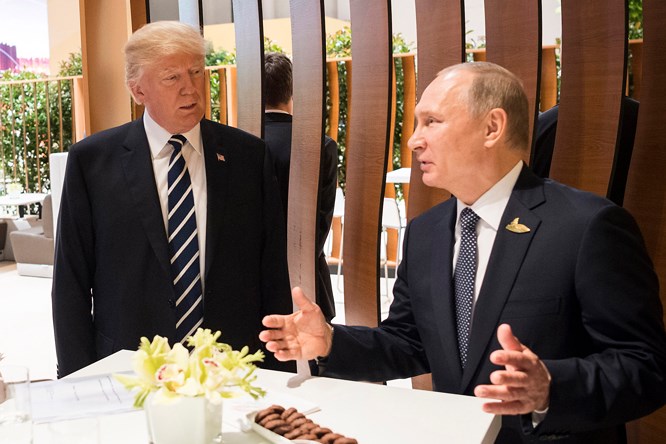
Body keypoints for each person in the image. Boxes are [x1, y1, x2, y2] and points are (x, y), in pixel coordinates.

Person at [260, 62, 666, 443]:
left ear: (492, 127)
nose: (413, 139)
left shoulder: (587, 226)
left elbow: (646, 365)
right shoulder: (426, 232)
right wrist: (332, 341)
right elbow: (408, 341)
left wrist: (550, 388)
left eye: (431, 122)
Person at [52, 21, 293, 377]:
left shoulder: (248, 156)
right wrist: (77, 380)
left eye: (196, 72)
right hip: (130, 368)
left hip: (233, 367)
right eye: (172, 77)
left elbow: (272, 271)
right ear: (138, 90)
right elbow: (70, 283)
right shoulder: (92, 163)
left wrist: (278, 370)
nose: (190, 88)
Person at [262, 52, 338, 322]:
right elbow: (322, 219)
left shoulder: (238, 143)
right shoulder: (320, 145)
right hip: (307, 280)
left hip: (253, 281)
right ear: (292, 90)